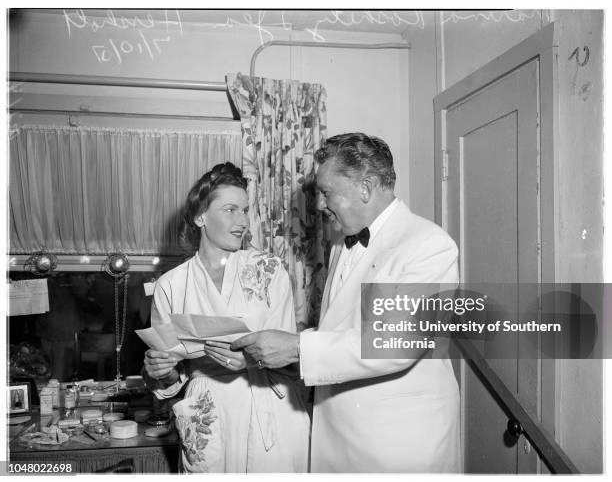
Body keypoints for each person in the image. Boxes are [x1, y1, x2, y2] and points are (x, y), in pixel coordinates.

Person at [232, 133, 462, 472]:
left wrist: (297, 348)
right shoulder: (341, 244)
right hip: (340, 438)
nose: (319, 206)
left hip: (397, 446)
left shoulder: (428, 244)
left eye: (326, 193)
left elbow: (395, 342)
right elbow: (346, 329)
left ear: (366, 188)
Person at [142, 163, 309, 473]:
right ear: (200, 216)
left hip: (270, 407)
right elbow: (168, 376)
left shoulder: (268, 270)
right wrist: (159, 369)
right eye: (231, 210)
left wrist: (252, 360)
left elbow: (290, 353)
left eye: (245, 211)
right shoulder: (171, 285)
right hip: (209, 411)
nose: (243, 221)